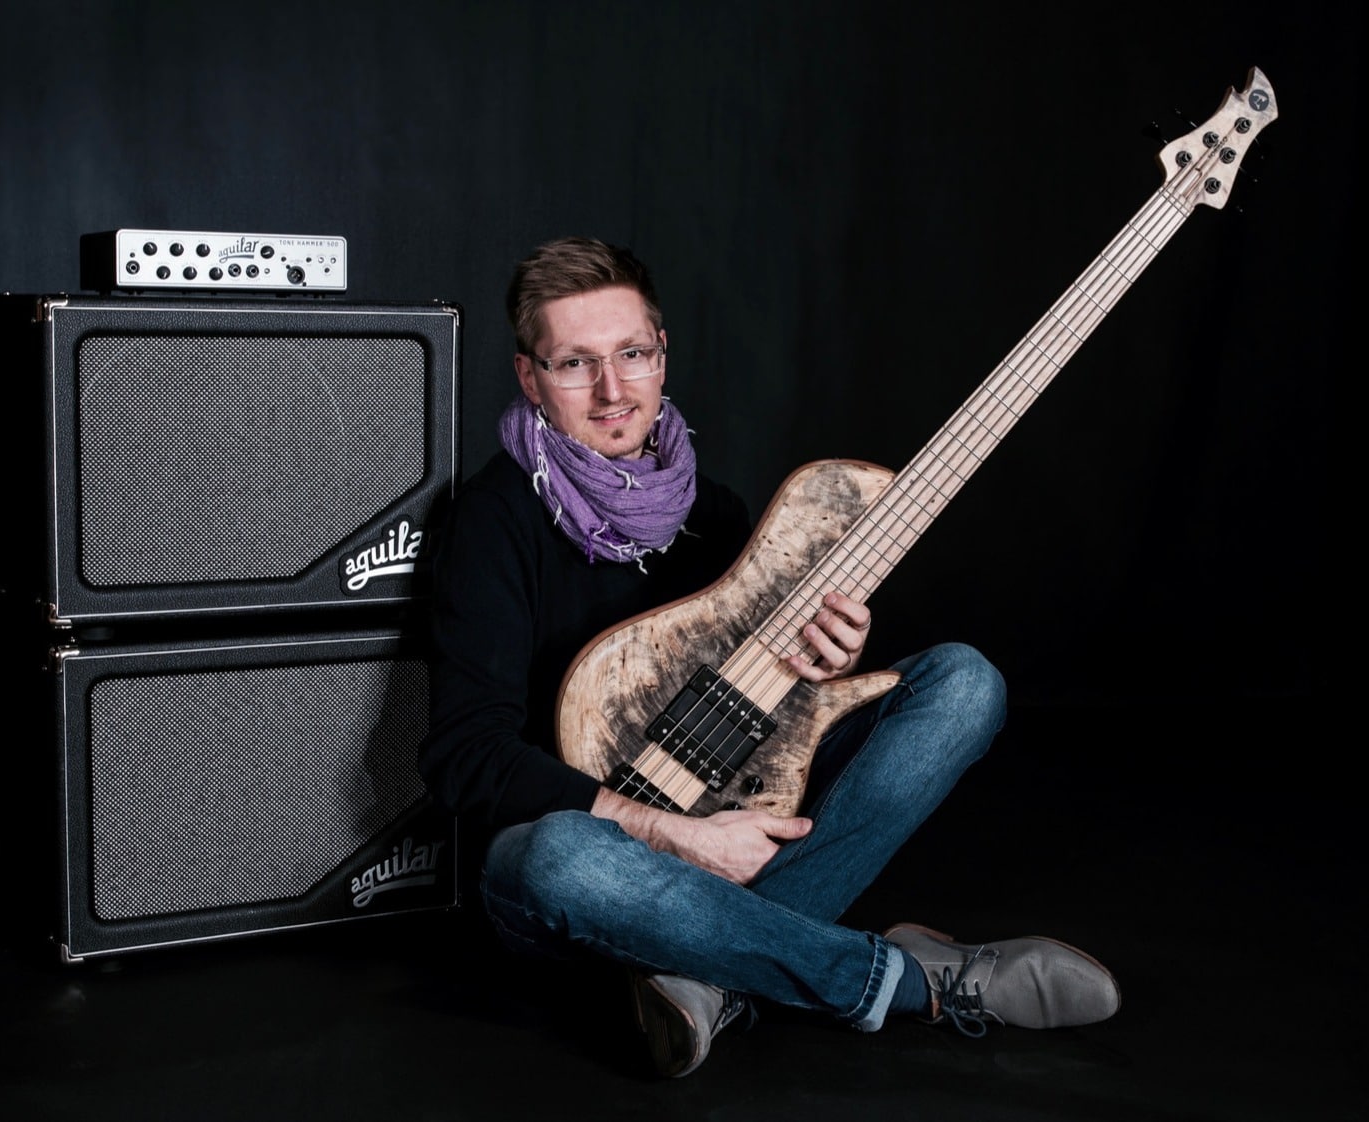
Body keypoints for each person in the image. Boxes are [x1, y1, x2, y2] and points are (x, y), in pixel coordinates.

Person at [418, 235, 1120, 1078]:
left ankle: (710, 974)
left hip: (735, 818)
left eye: (631, 354)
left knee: (963, 683)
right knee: (557, 856)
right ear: (530, 378)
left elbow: (762, 722)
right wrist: (673, 836)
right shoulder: (492, 522)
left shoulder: (713, 513)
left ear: (661, 353)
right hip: (584, 865)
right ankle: (910, 982)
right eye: (575, 364)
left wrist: (823, 667)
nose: (612, 390)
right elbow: (465, 757)